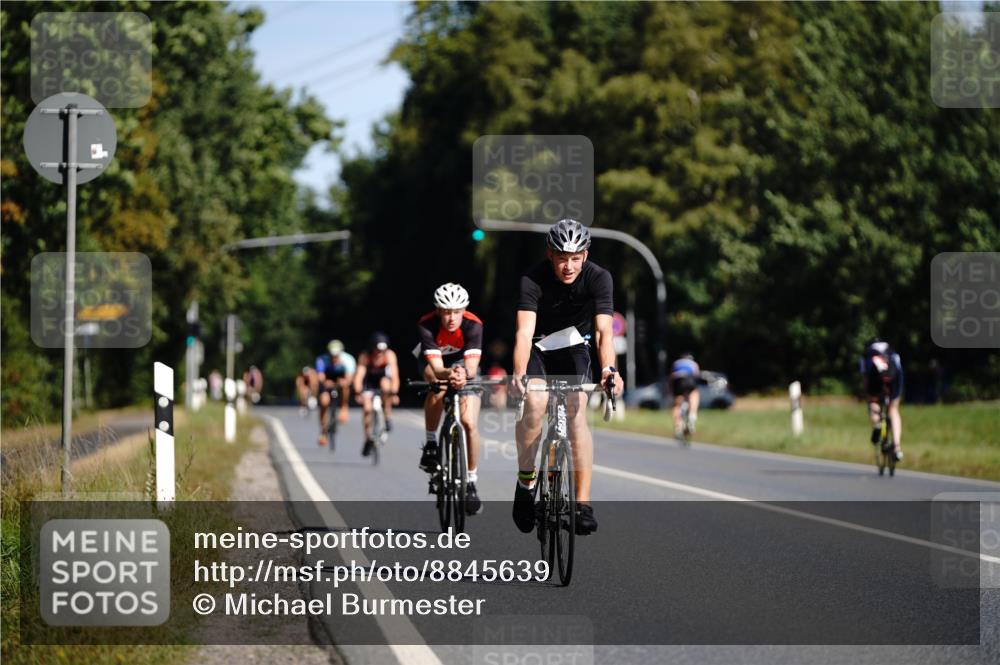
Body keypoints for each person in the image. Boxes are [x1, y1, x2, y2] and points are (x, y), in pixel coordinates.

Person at [509, 219, 623, 536]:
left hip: (576, 349)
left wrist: (609, 369)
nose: (568, 266)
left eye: (575, 258)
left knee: (576, 413)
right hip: (539, 348)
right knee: (534, 401)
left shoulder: (599, 278)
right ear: (550, 254)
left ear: (585, 255)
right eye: (562, 257)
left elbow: (603, 333)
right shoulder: (532, 279)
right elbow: (523, 333)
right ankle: (525, 482)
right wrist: (519, 372)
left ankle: (582, 503)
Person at [416, 283, 485, 514]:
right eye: (446, 312)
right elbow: (435, 367)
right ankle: (431, 443)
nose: (452, 317)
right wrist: (449, 375)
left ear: (464, 309)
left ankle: (471, 481)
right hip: (436, 364)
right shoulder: (427, 324)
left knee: (469, 422)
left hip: (464, 366)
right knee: (437, 385)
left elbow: (473, 366)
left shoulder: (473, 324)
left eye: (457, 311)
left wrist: (463, 373)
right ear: (438, 311)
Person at [353, 332, 400, 456]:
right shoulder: (365, 356)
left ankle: (387, 416)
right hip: (369, 384)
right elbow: (359, 376)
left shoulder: (389, 355)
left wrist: (394, 393)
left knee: (386, 384)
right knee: (367, 408)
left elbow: (394, 376)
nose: (380, 352)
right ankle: (367, 437)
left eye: (382, 350)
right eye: (377, 350)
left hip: (383, 383)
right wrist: (358, 392)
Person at [859, 337, 904, 461]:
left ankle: (877, 424)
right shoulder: (892, 352)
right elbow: (899, 371)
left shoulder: (866, 354)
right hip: (894, 379)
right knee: (893, 410)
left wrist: (868, 396)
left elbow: (865, 378)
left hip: (875, 379)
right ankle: (897, 447)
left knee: (873, 403)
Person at [315, 340, 357, 445]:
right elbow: (320, 377)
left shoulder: (348, 359)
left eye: (336, 355)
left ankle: (344, 407)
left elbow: (350, 378)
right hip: (327, 381)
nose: (334, 357)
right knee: (324, 402)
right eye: (332, 355)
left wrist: (344, 382)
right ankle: (323, 431)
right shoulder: (322, 360)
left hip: (341, 381)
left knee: (345, 387)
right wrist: (325, 382)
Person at [670, 353, 700, 438]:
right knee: (694, 394)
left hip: (677, 380)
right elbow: (696, 375)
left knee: (677, 405)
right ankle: (692, 415)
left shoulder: (676, 363)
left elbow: (671, 378)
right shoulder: (693, 363)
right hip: (689, 378)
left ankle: (677, 427)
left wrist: (671, 391)